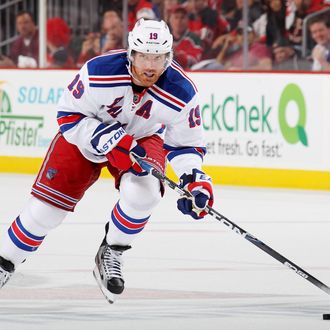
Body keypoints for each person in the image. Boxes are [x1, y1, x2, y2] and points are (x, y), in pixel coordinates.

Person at [0, 19, 214, 304]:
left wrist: (194, 180)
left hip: (142, 139)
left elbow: (186, 144)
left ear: (168, 57)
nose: (150, 66)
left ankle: (112, 250)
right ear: (131, 53)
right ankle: (4, 263)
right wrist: (104, 136)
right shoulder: (98, 71)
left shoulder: (182, 91)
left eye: (158, 58)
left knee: (144, 193)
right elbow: (68, 116)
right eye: (144, 57)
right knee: (44, 213)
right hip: (84, 137)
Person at [168, 5, 203, 69]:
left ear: (187, 20)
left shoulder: (194, 38)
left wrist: (177, 55)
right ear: (170, 20)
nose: (179, 21)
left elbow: (196, 60)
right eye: (176, 17)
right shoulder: (165, 38)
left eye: (182, 17)